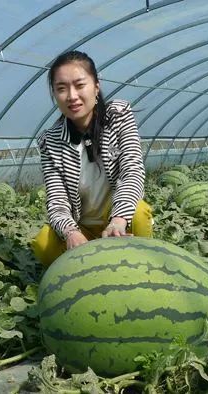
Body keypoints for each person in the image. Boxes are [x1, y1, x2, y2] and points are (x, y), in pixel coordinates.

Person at [32, 51, 153, 267]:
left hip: (116, 217)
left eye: (79, 85)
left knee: (139, 212)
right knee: (43, 243)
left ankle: (143, 267)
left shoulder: (119, 116)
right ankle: (82, 276)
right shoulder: (51, 142)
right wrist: (71, 232)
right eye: (61, 88)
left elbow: (132, 171)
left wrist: (118, 220)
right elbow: (57, 200)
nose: (71, 96)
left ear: (96, 86)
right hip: (82, 226)